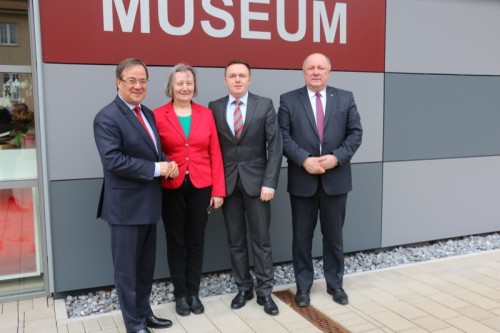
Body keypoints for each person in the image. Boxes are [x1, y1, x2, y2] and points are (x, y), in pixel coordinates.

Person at [93, 58, 177, 333]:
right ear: (119, 83)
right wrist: (157, 168)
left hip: (149, 205)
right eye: (132, 80)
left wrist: (167, 163)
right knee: (127, 272)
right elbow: (114, 161)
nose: (138, 86)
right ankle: (134, 324)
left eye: (143, 80)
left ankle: (144, 313)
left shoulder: (148, 114)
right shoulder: (106, 117)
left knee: (144, 268)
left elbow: (153, 151)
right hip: (125, 209)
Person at [277, 53, 362, 307]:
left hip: (335, 180)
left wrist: (337, 157)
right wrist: (304, 160)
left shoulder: (345, 98)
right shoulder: (289, 100)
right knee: (301, 237)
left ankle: (335, 285)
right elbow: (283, 136)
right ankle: (303, 286)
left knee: (333, 236)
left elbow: (355, 133)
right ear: (303, 72)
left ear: (329, 72)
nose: (316, 72)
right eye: (311, 68)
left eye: (320, 68)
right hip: (303, 180)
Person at [208, 59, 283, 316]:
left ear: (250, 79)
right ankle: (243, 288)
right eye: (232, 75)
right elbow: (213, 150)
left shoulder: (265, 105)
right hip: (229, 186)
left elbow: (275, 147)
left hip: (258, 185)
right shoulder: (215, 108)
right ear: (225, 80)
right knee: (235, 241)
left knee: (261, 241)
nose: (237, 80)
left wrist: (269, 182)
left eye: (242, 75)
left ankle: (265, 292)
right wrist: (216, 187)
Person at [153, 64, 225, 317]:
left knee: (196, 240)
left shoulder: (206, 114)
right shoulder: (157, 115)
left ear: (195, 87)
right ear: (171, 87)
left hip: (201, 185)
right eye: (180, 83)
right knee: (175, 241)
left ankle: (194, 292)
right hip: (170, 187)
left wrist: (219, 191)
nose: (185, 87)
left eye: (189, 83)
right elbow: (152, 150)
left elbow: (215, 152)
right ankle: (180, 294)